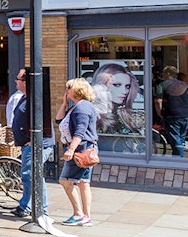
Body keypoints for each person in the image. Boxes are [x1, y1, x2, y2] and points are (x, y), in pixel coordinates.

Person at [58, 77, 99, 227]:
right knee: (83, 183)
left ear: (77, 90)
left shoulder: (82, 108)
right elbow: (59, 120)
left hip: (80, 151)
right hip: (86, 149)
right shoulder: (79, 106)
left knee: (65, 181)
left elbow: (80, 132)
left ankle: (78, 214)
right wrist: (64, 103)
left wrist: (70, 150)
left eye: (69, 88)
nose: (66, 91)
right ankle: (86, 217)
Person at [9, 68, 46, 219]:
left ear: (25, 82)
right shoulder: (25, 97)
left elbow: (43, 120)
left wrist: (34, 140)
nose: (15, 81)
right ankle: (27, 206)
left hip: (33, 144)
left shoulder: (34, 98)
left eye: (18, 79)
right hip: (26, 144)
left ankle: (40, 209)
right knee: (29, 176)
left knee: (32, 176)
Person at [91, 62, 138, 134]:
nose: (124, 91)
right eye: (117, 85)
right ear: (102, 85)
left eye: (127, 86)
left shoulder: (123, 115)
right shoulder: (95, 114)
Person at [155, 69, 188, 158]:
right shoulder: (184, 85)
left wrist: (160, 114)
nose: (162, 75)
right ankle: (176, 160)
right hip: (185, 115)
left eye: (163, 73)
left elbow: (158, 101)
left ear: (168, 74)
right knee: (180, 140)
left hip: (172, 115)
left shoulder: (162, 85)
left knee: (176, 141)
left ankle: (180, 162)